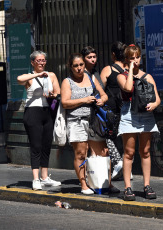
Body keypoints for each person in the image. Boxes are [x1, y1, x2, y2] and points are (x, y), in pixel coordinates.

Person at [61, 53, 118, 195]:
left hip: (94, 121)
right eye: (76, 66)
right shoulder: (67, 82)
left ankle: (107, 183)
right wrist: (84, 100)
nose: (79, 68)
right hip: (77, 121)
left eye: (81, 65)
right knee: (80, 153)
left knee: (103, 152)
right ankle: (84, 184)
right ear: (70, 67)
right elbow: (65, 103)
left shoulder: (91, 77)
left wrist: (102, 100)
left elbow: (104, 94)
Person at [117, 44, 161, 201]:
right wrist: (129, 70)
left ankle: (147, 185)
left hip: (145, 114)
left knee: (146, 151)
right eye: (132, 58)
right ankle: (128, 187)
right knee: (129, 152)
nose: (135, 60)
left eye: (137, 57)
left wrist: (153, 105)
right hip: (129, 113)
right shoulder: (121, 76)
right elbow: (128, 88)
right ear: (127, 60)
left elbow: (157, 98)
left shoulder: (147, 76)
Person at [17, 50, 62, 190]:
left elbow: (58, 92)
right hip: (33, 112)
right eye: (38, 60)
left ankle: (44, 177)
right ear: (33, 62)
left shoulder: (52, 75)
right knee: (36, 146)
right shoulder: (30, 76)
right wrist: (38, 74)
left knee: (46, 145)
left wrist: (52, 95)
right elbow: (19, 79)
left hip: (47, 111)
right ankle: (35, 179)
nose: (41, 63)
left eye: (43, 60)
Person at [80, 45, 124, 182]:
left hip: (98, 112)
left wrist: (102, 99)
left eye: (94, 57)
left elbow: (102, 93)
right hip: (84, 113)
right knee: (89, 146)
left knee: (101, 142)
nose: (93, 59)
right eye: (89, 57)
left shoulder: (95, 73)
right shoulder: (82, 74)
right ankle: (92, 175)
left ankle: (102, 173)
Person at [99, 41, 127, 180]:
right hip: (126, 108)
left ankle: (118, 162)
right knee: (126, 139)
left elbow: (99, 87)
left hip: (111, 109)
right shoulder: (129, 68)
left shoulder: (108, 69)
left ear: (113, 54)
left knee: (108, 138)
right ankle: (128, 169)